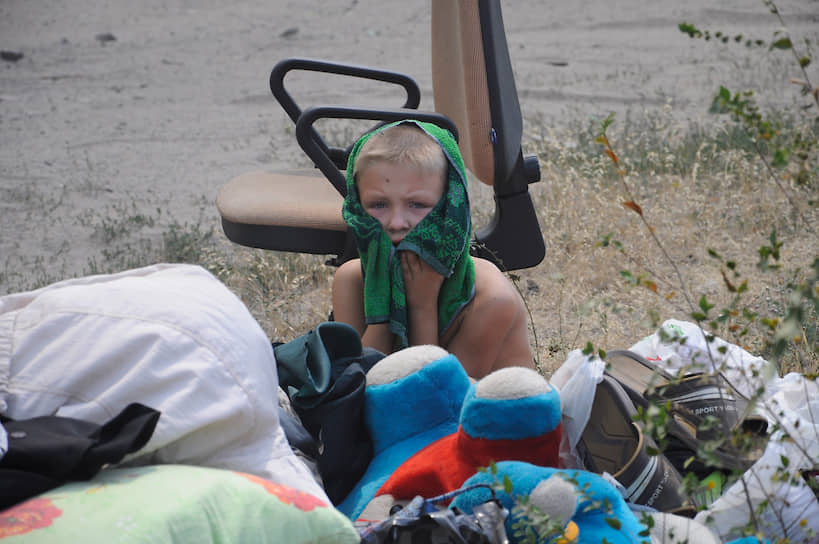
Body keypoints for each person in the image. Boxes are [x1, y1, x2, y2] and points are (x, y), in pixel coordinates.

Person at [332, 120, 535, 379]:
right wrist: (379, 305)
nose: (396, 224)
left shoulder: (491, 299)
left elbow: (434, 398)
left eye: (417, 204)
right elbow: (353, 384)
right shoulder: (351, 279)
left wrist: (422, 307)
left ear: (449, 208)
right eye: (378, 204)